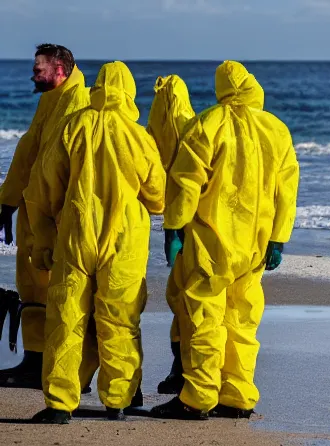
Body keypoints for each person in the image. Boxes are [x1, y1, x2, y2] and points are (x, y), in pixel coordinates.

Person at [151, 61, 299, 420]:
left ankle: (198, 397)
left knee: (204, 318)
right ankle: (237, 395)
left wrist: (173, 228)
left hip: (212, 243)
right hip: (254, 247)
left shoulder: (208, 124)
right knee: (243, 321)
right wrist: (278, 239)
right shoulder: (276, 129)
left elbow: (186, 181)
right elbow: (287, 191)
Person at [25, 61, 166, 424]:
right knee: (120, 319)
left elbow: (44, 188)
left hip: (75, 232)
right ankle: (117, 400)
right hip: (124, 239)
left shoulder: (73, 126)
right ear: (130, 91)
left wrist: (43, 238)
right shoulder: (138, 136)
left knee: (66, 318)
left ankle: (59, 403)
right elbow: (159, 196)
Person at [0, 44, 90, 389]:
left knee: (58, 291)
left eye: (39, 69)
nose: (33, 75)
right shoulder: (49, 100)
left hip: (54, 215)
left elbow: (69, 168)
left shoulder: (77, 103)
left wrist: (55, 216)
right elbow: (28, 153)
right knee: (32, 286)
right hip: (32, 210)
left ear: (60, 68)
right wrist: (8, 202)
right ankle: (34, 361)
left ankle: (65, 367)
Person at [146, 74, 195, 396]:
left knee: (186, 299)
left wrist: (172, 225)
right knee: (188, 300)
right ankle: (191, 373)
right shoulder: (200, 129)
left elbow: (184, 183)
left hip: (195, 226)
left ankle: (187, 373)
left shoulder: (153, 133)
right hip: (208, 227)